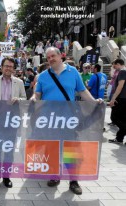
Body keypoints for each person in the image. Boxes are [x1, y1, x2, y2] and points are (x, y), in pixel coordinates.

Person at [31, 47, 102, 195]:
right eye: (48, 57)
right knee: (52, 149)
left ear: (60, 56)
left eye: (53, 56)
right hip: (49, 121)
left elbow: (82, 91)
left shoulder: (73, 72)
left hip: (69, 119)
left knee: (71, 152)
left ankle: (73, 181)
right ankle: (55, 175)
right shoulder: (43, 76)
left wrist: (94, 102)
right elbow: (37, 94)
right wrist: (33, 98)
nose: (50, 59)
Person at [0, 57, 26, 189]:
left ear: (14, 69)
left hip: (12, 121)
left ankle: (7, 177)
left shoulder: (19, 82)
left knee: (9, 150)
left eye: (11, 66)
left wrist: (18, 99)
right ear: (1, 67)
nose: (8, 68)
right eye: (6, 66)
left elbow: (25, 99)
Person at [108, 59, 126, 144]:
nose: (114, 68)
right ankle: (119, 138)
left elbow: (120, 86)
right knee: (123, 119)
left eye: (114, 66)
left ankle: (121, 134)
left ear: (118, 64)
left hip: (121, 98)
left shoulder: (122, 72)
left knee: (114, 117)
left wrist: (113, 98)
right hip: (123, 98)